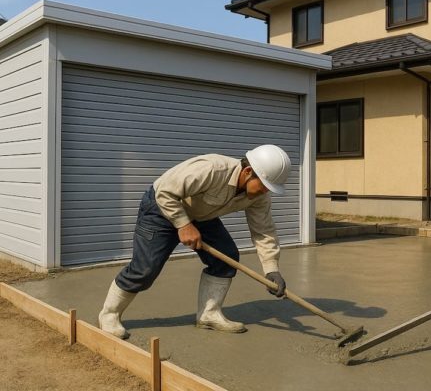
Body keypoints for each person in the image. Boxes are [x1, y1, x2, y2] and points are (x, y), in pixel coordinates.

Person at [98, 144, 292, 339]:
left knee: (226, 257)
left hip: (201, 216)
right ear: (249, 171)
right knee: (145, 269)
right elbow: (165, 192)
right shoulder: (212, 169)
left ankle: (209, 314)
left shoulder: (259, 196)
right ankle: (109, 315)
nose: (265, 193)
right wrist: (183, 225)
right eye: (265, 186)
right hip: (160, 207)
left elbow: (263, 230)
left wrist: (271, 268)